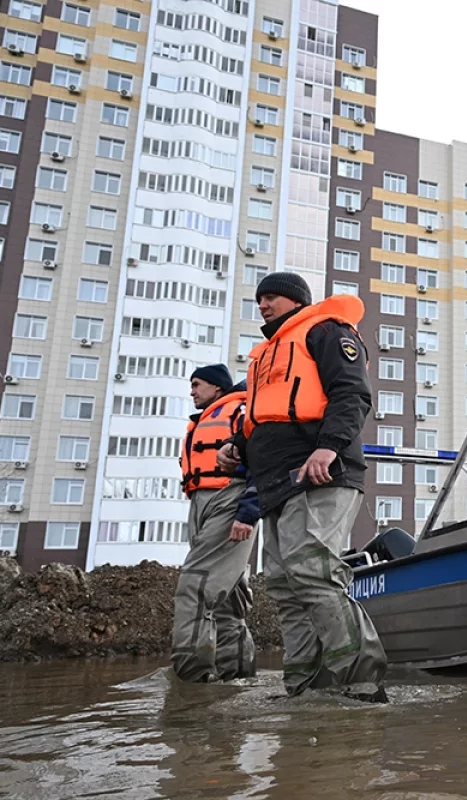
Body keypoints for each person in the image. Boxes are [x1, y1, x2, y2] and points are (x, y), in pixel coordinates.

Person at [217, 272, 387, 701]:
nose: (262, 306)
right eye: (258, 299)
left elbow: (352, 393)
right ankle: (305, 687)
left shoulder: (326, 331)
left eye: (271, 297)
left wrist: (328, 447)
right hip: (276, 483)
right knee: (284, 584)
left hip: (321, 472)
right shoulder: (265, 357)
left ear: (295, 301)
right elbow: (265, 415)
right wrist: (237, 446)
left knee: (312, 571)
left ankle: (359, 682)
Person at [171, 364, 259, 683]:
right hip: (202, 502)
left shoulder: (238, 411)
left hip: (228, 498)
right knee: (227, 595)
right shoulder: (205, 420)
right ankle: (237, 676)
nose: (192, 390)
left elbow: (260, 458)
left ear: (218, 388)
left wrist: (247, 511)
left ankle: (191, 679)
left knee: (196, 586)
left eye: (197, 384)